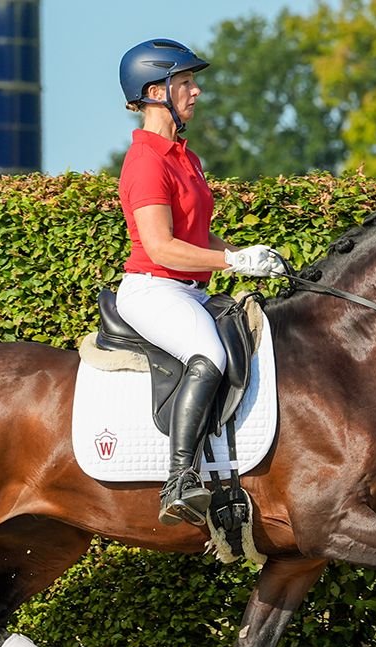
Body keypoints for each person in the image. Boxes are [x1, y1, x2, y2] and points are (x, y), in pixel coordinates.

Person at [116, 38, 286, 527]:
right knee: (208, 355)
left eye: (192, 81)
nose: (196, 91)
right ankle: (179, 478)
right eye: (186, 82)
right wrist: (232, 266)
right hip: (153, 288)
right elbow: (163, 246)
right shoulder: (146, 161)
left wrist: (244, 253)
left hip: (187, 289)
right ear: (155, 91)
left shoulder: (182, 156)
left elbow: (196, 233)